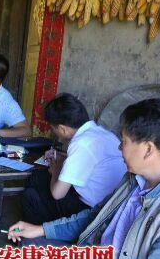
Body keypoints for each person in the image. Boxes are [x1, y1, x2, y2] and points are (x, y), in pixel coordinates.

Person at [8, 98, 160, 259]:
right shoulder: (134, 180)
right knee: (32, 249)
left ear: (148, 149)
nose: (119, 148)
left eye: (124, 142)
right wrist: (41, 229)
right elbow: (95, 217)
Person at [22, 93, 126, 225]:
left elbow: (57, 194)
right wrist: (61, 156)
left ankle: (43, 232)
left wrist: (55, 169)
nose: (53, 132)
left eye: (52, 128)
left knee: (30, 194)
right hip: (112, 205)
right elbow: (89, 160)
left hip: (92, 211)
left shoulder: (81, 143)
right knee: (38, 179)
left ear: (62, 129)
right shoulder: (104, 134)